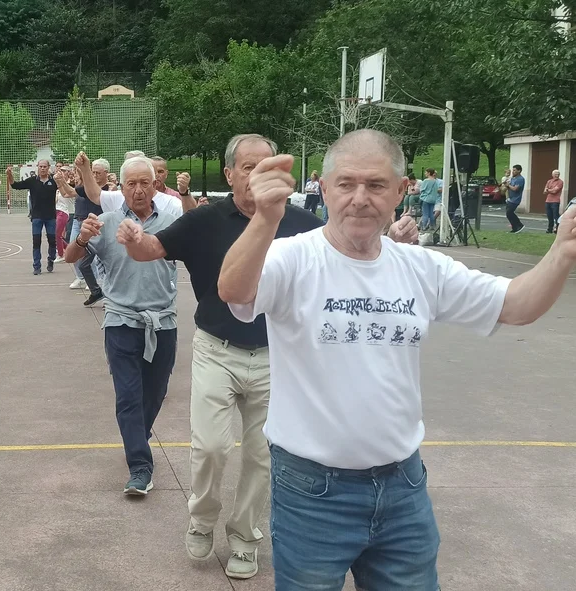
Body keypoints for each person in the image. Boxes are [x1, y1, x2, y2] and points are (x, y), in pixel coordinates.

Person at [218, 129, 576, 590]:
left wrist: (562, 254)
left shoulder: (421, 268)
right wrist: (266, 219)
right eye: (346, 184)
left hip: (402, 487)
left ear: (401, 191)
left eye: (376, 185)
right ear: (323, 189)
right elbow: (234, 290)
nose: (360, 198)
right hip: (312, 492)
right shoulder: (292, 258)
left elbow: (515, 305)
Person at [101, 133, 417, 580]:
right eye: (248, 167)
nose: (258, 175)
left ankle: (245, 538)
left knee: (261, 454)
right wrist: (134, 238)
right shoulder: (205, 220)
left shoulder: (303, 223)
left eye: (267, 166)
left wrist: (393, 239)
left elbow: (353, 249)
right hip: (217, 350)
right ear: (229, 174)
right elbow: (151, 249)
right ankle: (202, 517)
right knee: (210, 447)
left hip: (277, 357)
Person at [63, 156, 178, 496]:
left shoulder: (172, 223)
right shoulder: (106, 222)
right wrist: (82, 239)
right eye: (132, 184)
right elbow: (70, 257)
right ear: (122, 188)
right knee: (128, 396)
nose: (139, 190)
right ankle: (140, 467)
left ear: (155, 186)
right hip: (121, 321)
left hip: (163, 322)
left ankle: (136, 436)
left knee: (154, 394)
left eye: (145, 183)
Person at [7, 159, 62, 275]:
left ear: (48, 167)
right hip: (37, 217)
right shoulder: (32, 181)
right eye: (40, 166)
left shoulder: (54, 181)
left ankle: (51, 259)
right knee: (36, 241)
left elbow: (66, 189)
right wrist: (9, 175)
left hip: (50, 217)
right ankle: (37, 266)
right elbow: (15, 185)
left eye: (45, 166)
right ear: (37, 167)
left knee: (52, 241)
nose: (42, 168)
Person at [69, 158, 110, 306]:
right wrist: (60, 181)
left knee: (106, 265)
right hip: (92, 231)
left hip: (106, 232)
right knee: (83, 264)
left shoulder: (111, 190)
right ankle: (96, 291)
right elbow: (70, 192)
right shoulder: (89, 188)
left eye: (98, 173)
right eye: (93, 172)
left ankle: (110, 298)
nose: (95, 175)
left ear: (106, 173)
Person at [505, 164, 527, 233]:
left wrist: (509, 185)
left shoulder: (520, 179)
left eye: (514, 170)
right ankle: (514, 228)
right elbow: (509, 188)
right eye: (513, 170)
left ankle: (519, 225)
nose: (513, 172)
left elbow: (515, 189)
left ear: (519, 171)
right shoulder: (513, 178)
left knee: (510, 213)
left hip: (515, 199)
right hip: (510, 198)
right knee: (508, 214)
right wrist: (506, 185)